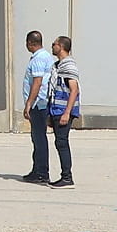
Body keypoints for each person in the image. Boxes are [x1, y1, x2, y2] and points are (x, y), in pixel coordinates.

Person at [21, 30, 54, 185]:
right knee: (37, 138)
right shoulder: (45, 56)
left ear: (30, 43)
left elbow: (37, 82)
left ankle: (42, 172)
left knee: (39, 138)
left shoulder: (38, 59)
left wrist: (29, 103)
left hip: (38, 104)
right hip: (40, 103)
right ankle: (37, 170)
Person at [47, 37, 80, 188]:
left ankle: (67, 177)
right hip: (56, 109)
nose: (52, 46)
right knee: (59, 142)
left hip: (63, 110)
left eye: (54, 44)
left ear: (60, 46)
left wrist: (67, 112)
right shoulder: (58, 65)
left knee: (62, 142)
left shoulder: (68, 65)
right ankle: (65, 176)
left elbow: (74, 90)